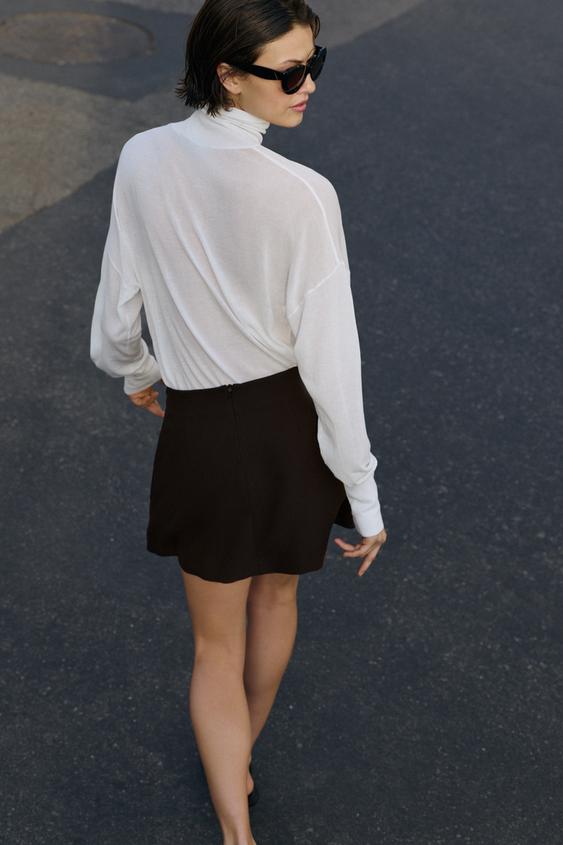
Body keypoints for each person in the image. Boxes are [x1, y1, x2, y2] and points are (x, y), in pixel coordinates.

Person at [89, 0, 387, 842]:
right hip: (289, 427)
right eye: (288, 72)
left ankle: (233, 828)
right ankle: (238, 756)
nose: (307, 85)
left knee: (212, 646)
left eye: (313, 64)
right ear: (226, 74)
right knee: (275, 598)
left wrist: (139, 372)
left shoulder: (143, 157)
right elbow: (333, 363)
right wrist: (363, 495)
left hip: (201, 432)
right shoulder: (304, 196)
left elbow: (115, 317)